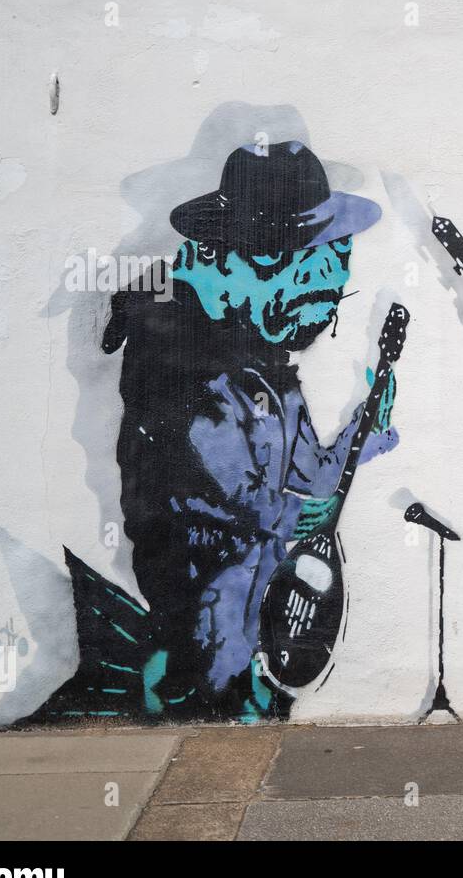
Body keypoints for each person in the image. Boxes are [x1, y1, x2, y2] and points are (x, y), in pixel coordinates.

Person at [97, 140, 396, 717]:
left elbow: (311, 474)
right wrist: (293, 516)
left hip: (253, 610)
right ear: (232, 262)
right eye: (303, 258)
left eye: (334, 258)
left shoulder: (270, 366)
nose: (329, 283)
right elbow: (219, 498)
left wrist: (372, 421)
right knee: (215, 717)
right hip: (205, 606)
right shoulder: (179, 358)